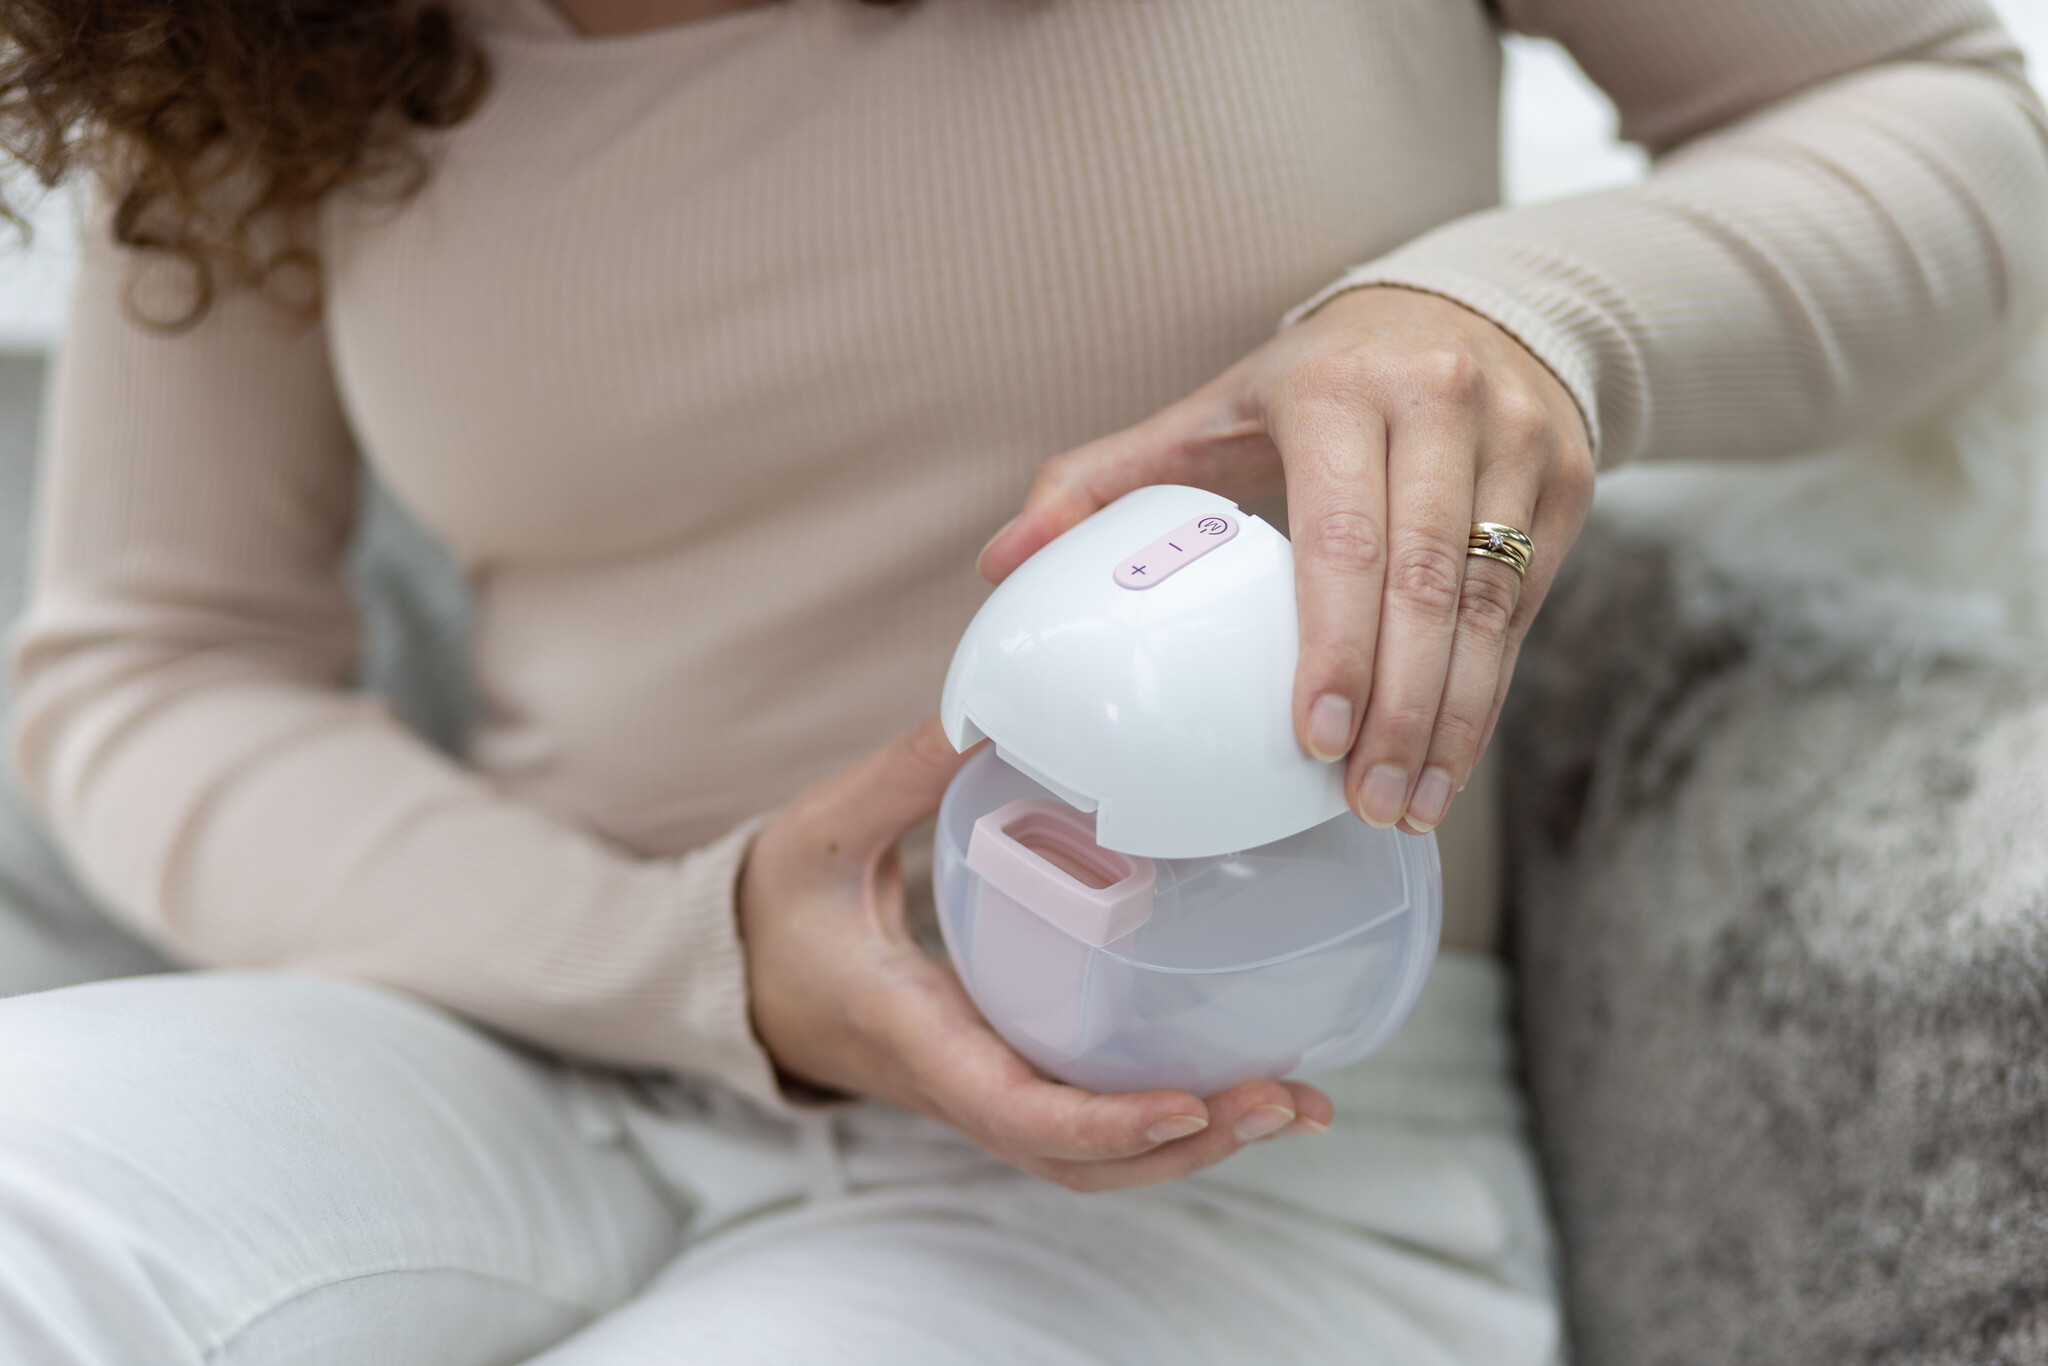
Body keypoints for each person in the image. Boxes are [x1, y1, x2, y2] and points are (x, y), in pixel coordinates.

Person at [0, 0, 2042, 1360]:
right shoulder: (248, 36)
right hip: (541, 1029)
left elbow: (1956, 125)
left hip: (1229, 1146)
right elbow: (153, 656)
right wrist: (693, 952)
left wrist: (1524, 317)